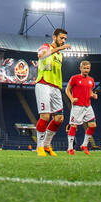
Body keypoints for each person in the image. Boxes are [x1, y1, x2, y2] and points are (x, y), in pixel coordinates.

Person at [34, 28, 69, 157]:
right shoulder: (46, 46)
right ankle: (39, 148)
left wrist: (59, 51)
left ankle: (47, 145)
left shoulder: (60, 55)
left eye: (65, 39)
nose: (63, 41)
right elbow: (41, 55)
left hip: (56, 87)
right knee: (45, 116)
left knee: (59, 118)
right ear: (54, 37)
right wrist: (57, 49)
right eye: (61, 38)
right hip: (43, 84)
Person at [66, 60, 98, 155]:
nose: (86, 70)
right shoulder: (75, 78)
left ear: (90, 69)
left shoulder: (91, 80)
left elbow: (90, 91)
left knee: (93, 125)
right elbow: (67, 90)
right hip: (77, 107)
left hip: (88, 106)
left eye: (88, 68)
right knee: (74, 126)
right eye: (84, 68)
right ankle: (70, 148)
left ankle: (84, 145)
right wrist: (71, 98)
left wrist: (93, 95)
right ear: (80, 68)